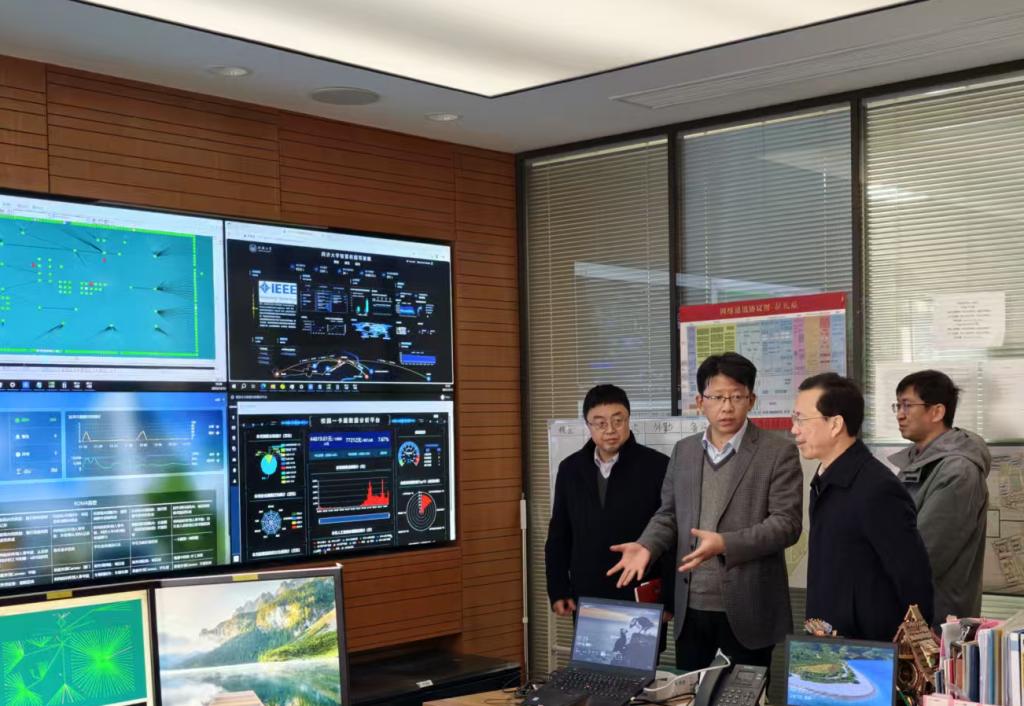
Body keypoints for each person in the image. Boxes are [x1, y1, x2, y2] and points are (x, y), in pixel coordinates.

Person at [607, 352, 802, 670]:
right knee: (689, 691)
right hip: (691, 606)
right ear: (700, 402)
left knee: (743, 694)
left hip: (748, 606)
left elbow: (787, 524)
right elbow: (668, 514)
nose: (727, 407)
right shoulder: (684, 451)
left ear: (751, 400)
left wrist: (725, 544)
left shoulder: (778, 452)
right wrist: (647, 545)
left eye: (736, 396)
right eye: (717, 397)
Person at [794, 372, 934, 641]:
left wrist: (914, 644)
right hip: (826, 640)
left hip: (867, 648)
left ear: (835, 424)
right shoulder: (825, 479)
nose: (794, 429)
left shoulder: (877, 488)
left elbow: (912, 576)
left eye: (801, 419)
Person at [545, 384, 674, 622]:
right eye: (600, 423)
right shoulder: (570, 469)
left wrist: (668, 597)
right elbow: (559, 535)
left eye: (618, 420)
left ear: (628, 419)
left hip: (639, 592)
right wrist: (559, 588)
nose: (610, 430)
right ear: (588, 425)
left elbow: (670, 533)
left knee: (638, 646)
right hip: (588, 593)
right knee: (590, 648)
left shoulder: (658, 466)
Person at [888, 369, 990, 624]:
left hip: (936, 619)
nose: (900, 414)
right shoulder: (917, 461)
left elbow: (925, 554)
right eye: (898, 405)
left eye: (908, 405)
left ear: (937, 412)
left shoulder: (959, 471)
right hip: (910, 609)